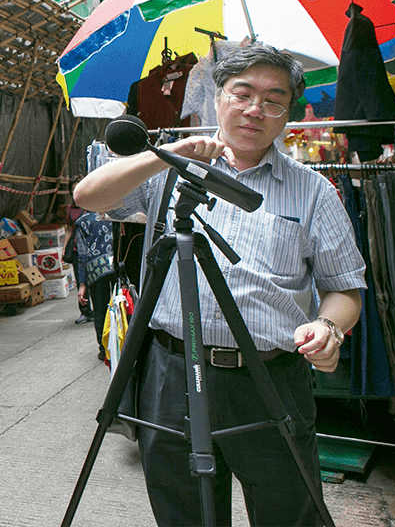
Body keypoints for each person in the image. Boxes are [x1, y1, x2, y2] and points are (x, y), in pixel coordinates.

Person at [73, 43, 365, 527]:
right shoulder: (169, 171)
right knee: (183, 514)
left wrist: (328, 328)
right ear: (218, 98)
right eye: (242, 93)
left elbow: (345, 288)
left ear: (287, 112)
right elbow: (88, 196)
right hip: (170, 372)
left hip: (270, 377)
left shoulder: (314, 191)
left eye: (274, 100)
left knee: (289, 513)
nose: (255, 109)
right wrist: (169, 156)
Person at [72, 209, 116, 361]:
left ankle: (104, 349)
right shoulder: (118, 215)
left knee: (100, 310)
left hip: (95, 269)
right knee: (122, 306)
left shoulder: (83, 221)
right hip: (117, 266)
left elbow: (82, 254)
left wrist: (82, 284)